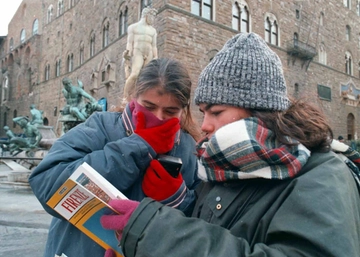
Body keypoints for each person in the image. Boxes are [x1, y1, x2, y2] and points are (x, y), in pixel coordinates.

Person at [100, 33, 360, 257]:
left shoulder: (323, 175)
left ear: (260, 110)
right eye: (202, 112)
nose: (204, 125)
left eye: (216, 112)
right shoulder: (223, 166)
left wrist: (154, 232)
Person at [29, 58, 201, 257]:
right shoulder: (99, 127)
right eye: (149, 107)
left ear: (183, 110)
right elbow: (46, 184)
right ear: (134, 98)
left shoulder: (188, 148)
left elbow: (202, 226)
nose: (159, 117)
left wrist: (178, 198)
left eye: (170, 111)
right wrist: (139, 146)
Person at [122, 7, 158, 103]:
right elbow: (130, 43)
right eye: (152, 17)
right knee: (134, 74)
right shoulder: (133, 27)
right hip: (138, 52)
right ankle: (125, 97)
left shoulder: (153, 31)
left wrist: (156, 57)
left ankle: (143, 97)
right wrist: (128, 53)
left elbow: (154, 46)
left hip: (149, 53)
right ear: (147, 16)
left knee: (147, 77)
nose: (153, 20)